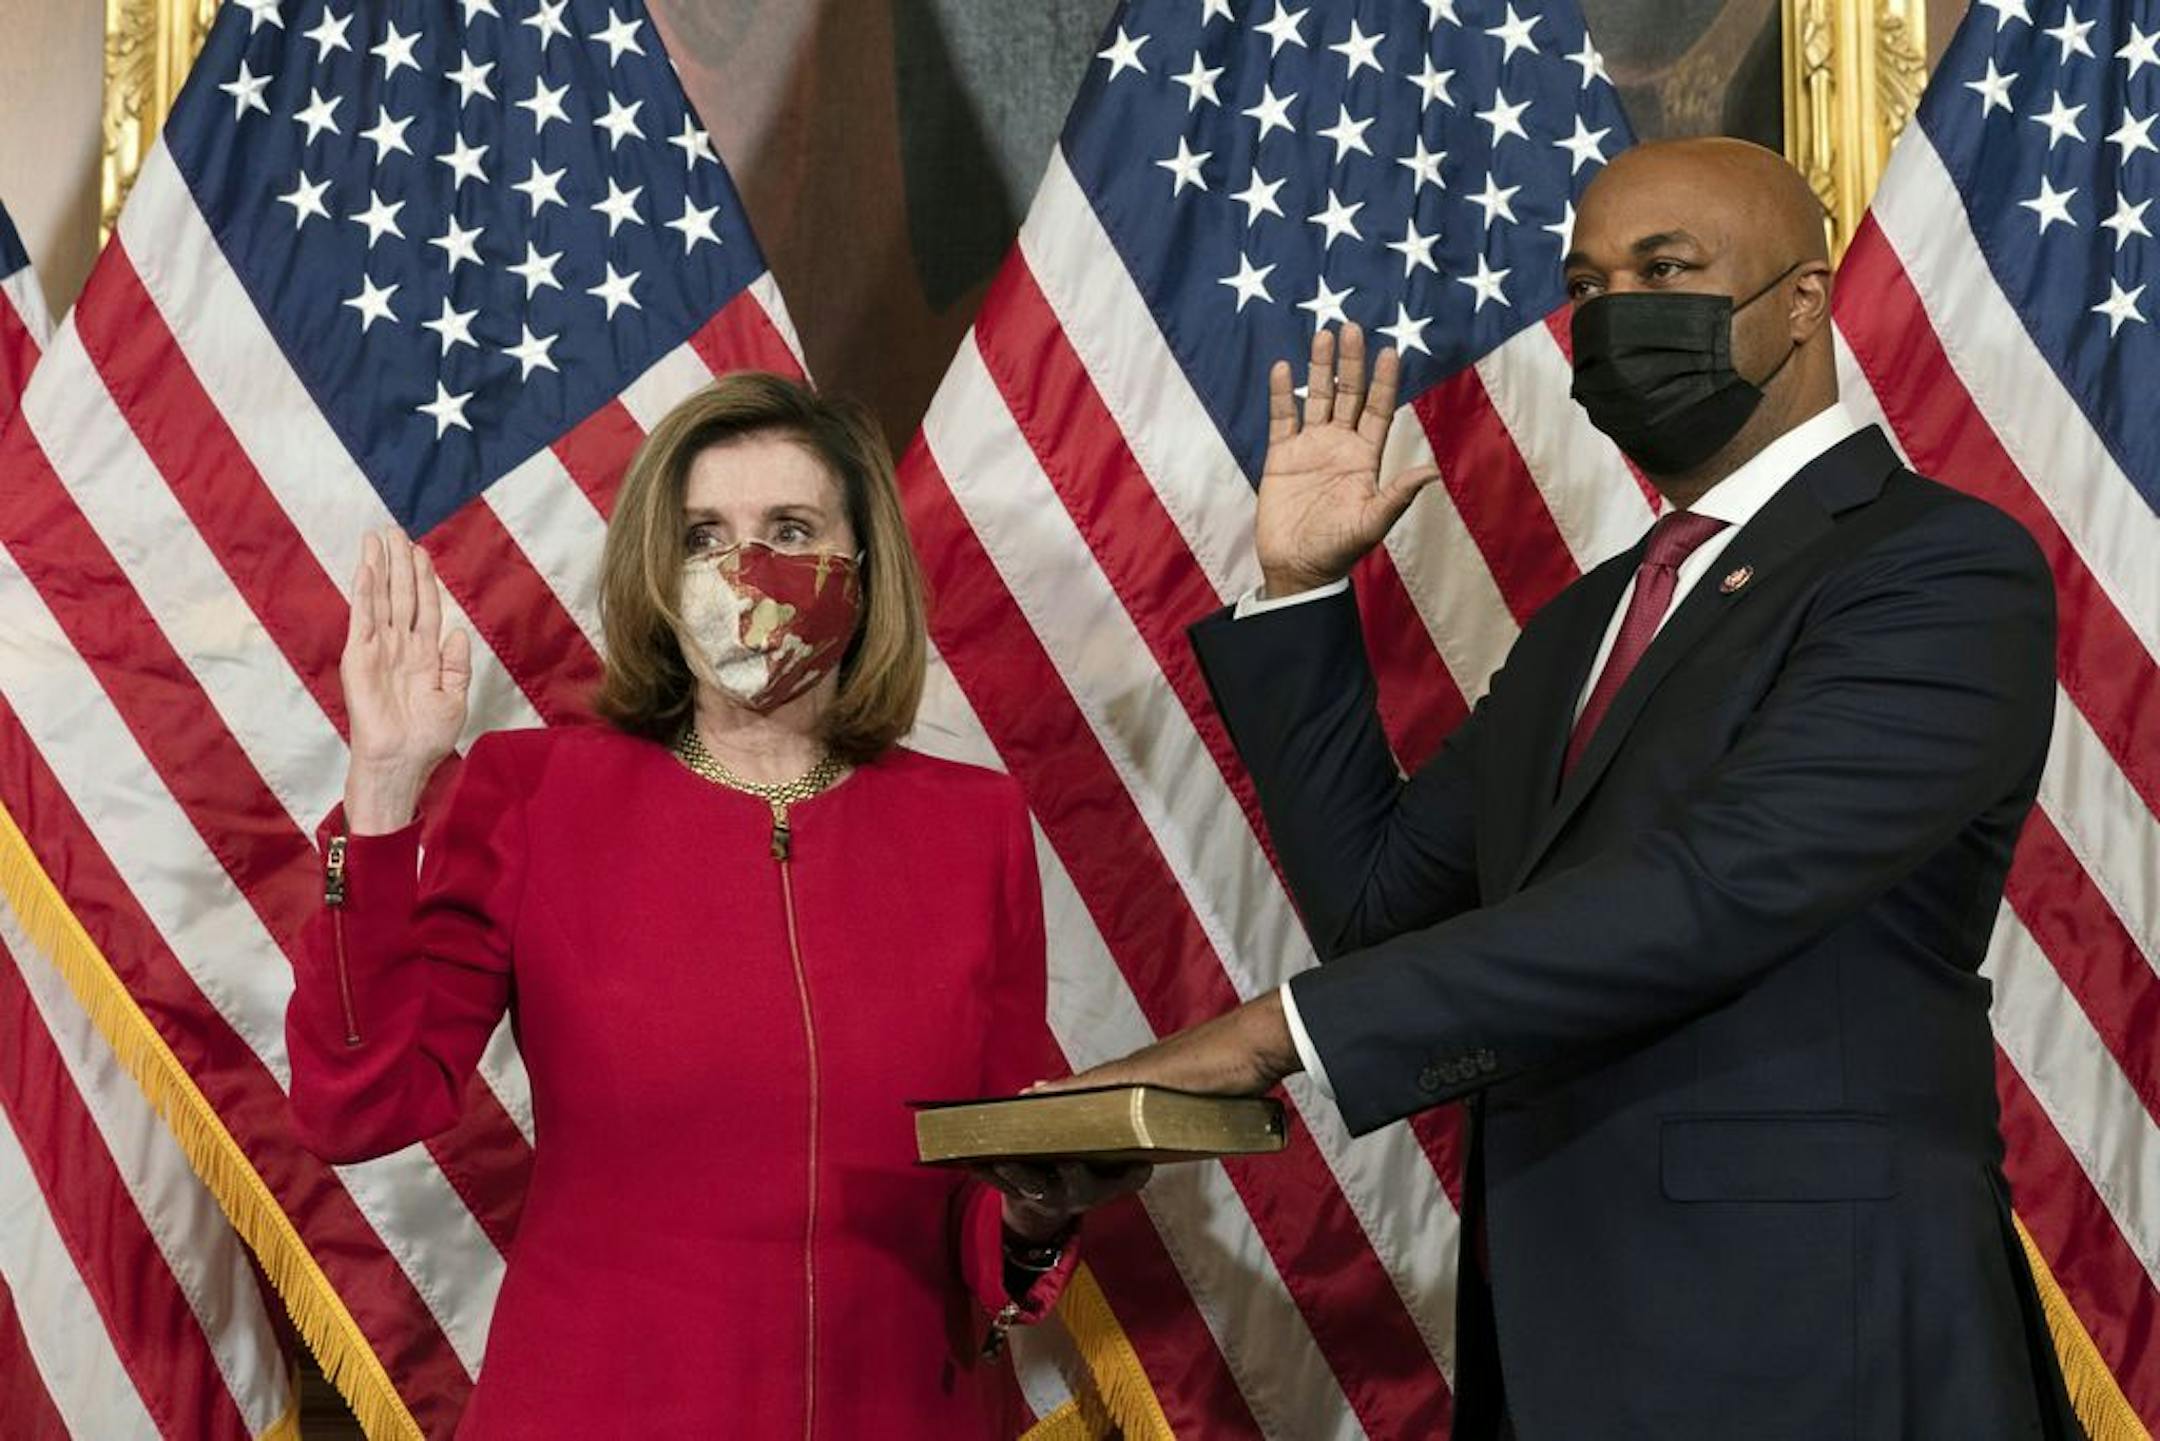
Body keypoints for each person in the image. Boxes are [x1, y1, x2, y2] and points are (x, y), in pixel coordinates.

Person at [1063, 140, 2081, 1439]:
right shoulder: (1593, 620)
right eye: (1588, 286)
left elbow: (1713, 893)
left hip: (1823, 1339)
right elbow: (1382, 904)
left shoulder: (1938, 568)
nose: (1614, 319)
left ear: (1804, 300)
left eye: (1665, 269)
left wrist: (1275, 1033)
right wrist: (1306, 591)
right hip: (1561, 1344)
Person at [287, 373, 1143, 1438]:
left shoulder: (976, 827)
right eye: (703, 536)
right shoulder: (533, 793)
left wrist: (1034, 1212)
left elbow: (987, 1185)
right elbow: (357, 1104)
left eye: (790, 526)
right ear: (658, 570)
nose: (746, 568)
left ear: (865, 568)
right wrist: (382, 787)